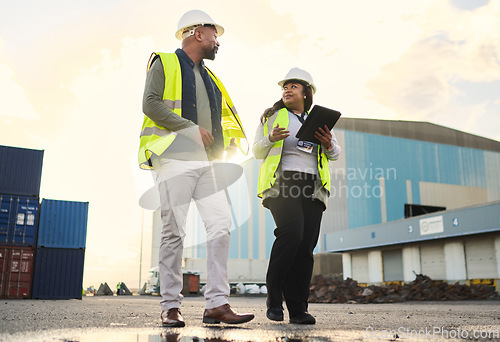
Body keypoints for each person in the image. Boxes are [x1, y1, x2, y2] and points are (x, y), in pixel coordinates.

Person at [139, 9, 253, 327]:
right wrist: (190, 129)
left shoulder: (212, 78)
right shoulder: (164, 61)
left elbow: (219, 120)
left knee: (220, 225)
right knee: (174, 231)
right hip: (174, 158)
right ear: (197, 33)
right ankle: (170, 305)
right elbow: (150, 103)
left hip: (208, 163)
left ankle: (217, 304)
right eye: (214, 34)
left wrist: (226, 142)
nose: (218, 41)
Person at [253, 68, 341, 324]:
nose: (287, 90)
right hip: (283, 183)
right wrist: (270, 138)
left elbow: (335, 154)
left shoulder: (319, 120)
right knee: (291, 235)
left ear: (306, 92)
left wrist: (327, 143)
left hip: (313, 187)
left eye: (293, 86)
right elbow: (258, 151)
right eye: (285, 87)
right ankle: (274, 298)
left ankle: (298, 309)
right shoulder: (272, 116)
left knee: (305, 248)